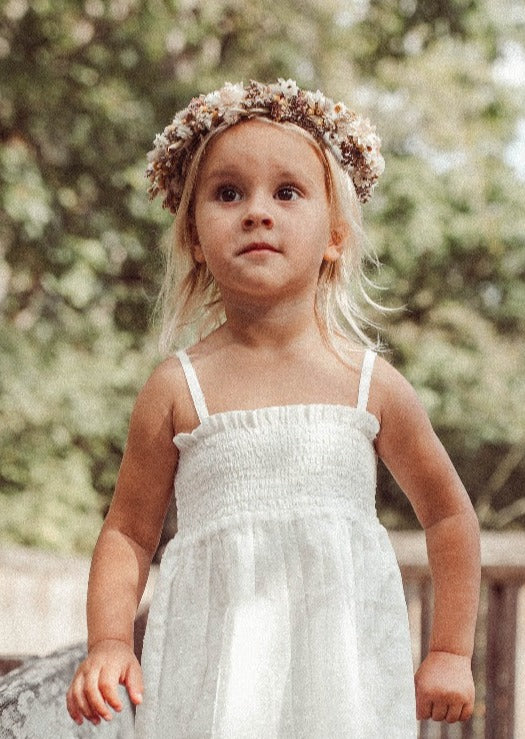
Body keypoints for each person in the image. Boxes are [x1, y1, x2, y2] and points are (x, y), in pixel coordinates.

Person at [66, 80, 480, 737]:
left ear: (335, 237)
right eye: (228, 193)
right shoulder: (177, 387)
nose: (257, 211)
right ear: (196, 238)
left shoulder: (369, 382)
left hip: (342, 682)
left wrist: (449, 649)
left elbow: (448, 512)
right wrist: (110, 640)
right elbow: (127, 531)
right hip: (213, 681)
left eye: (286, 192)